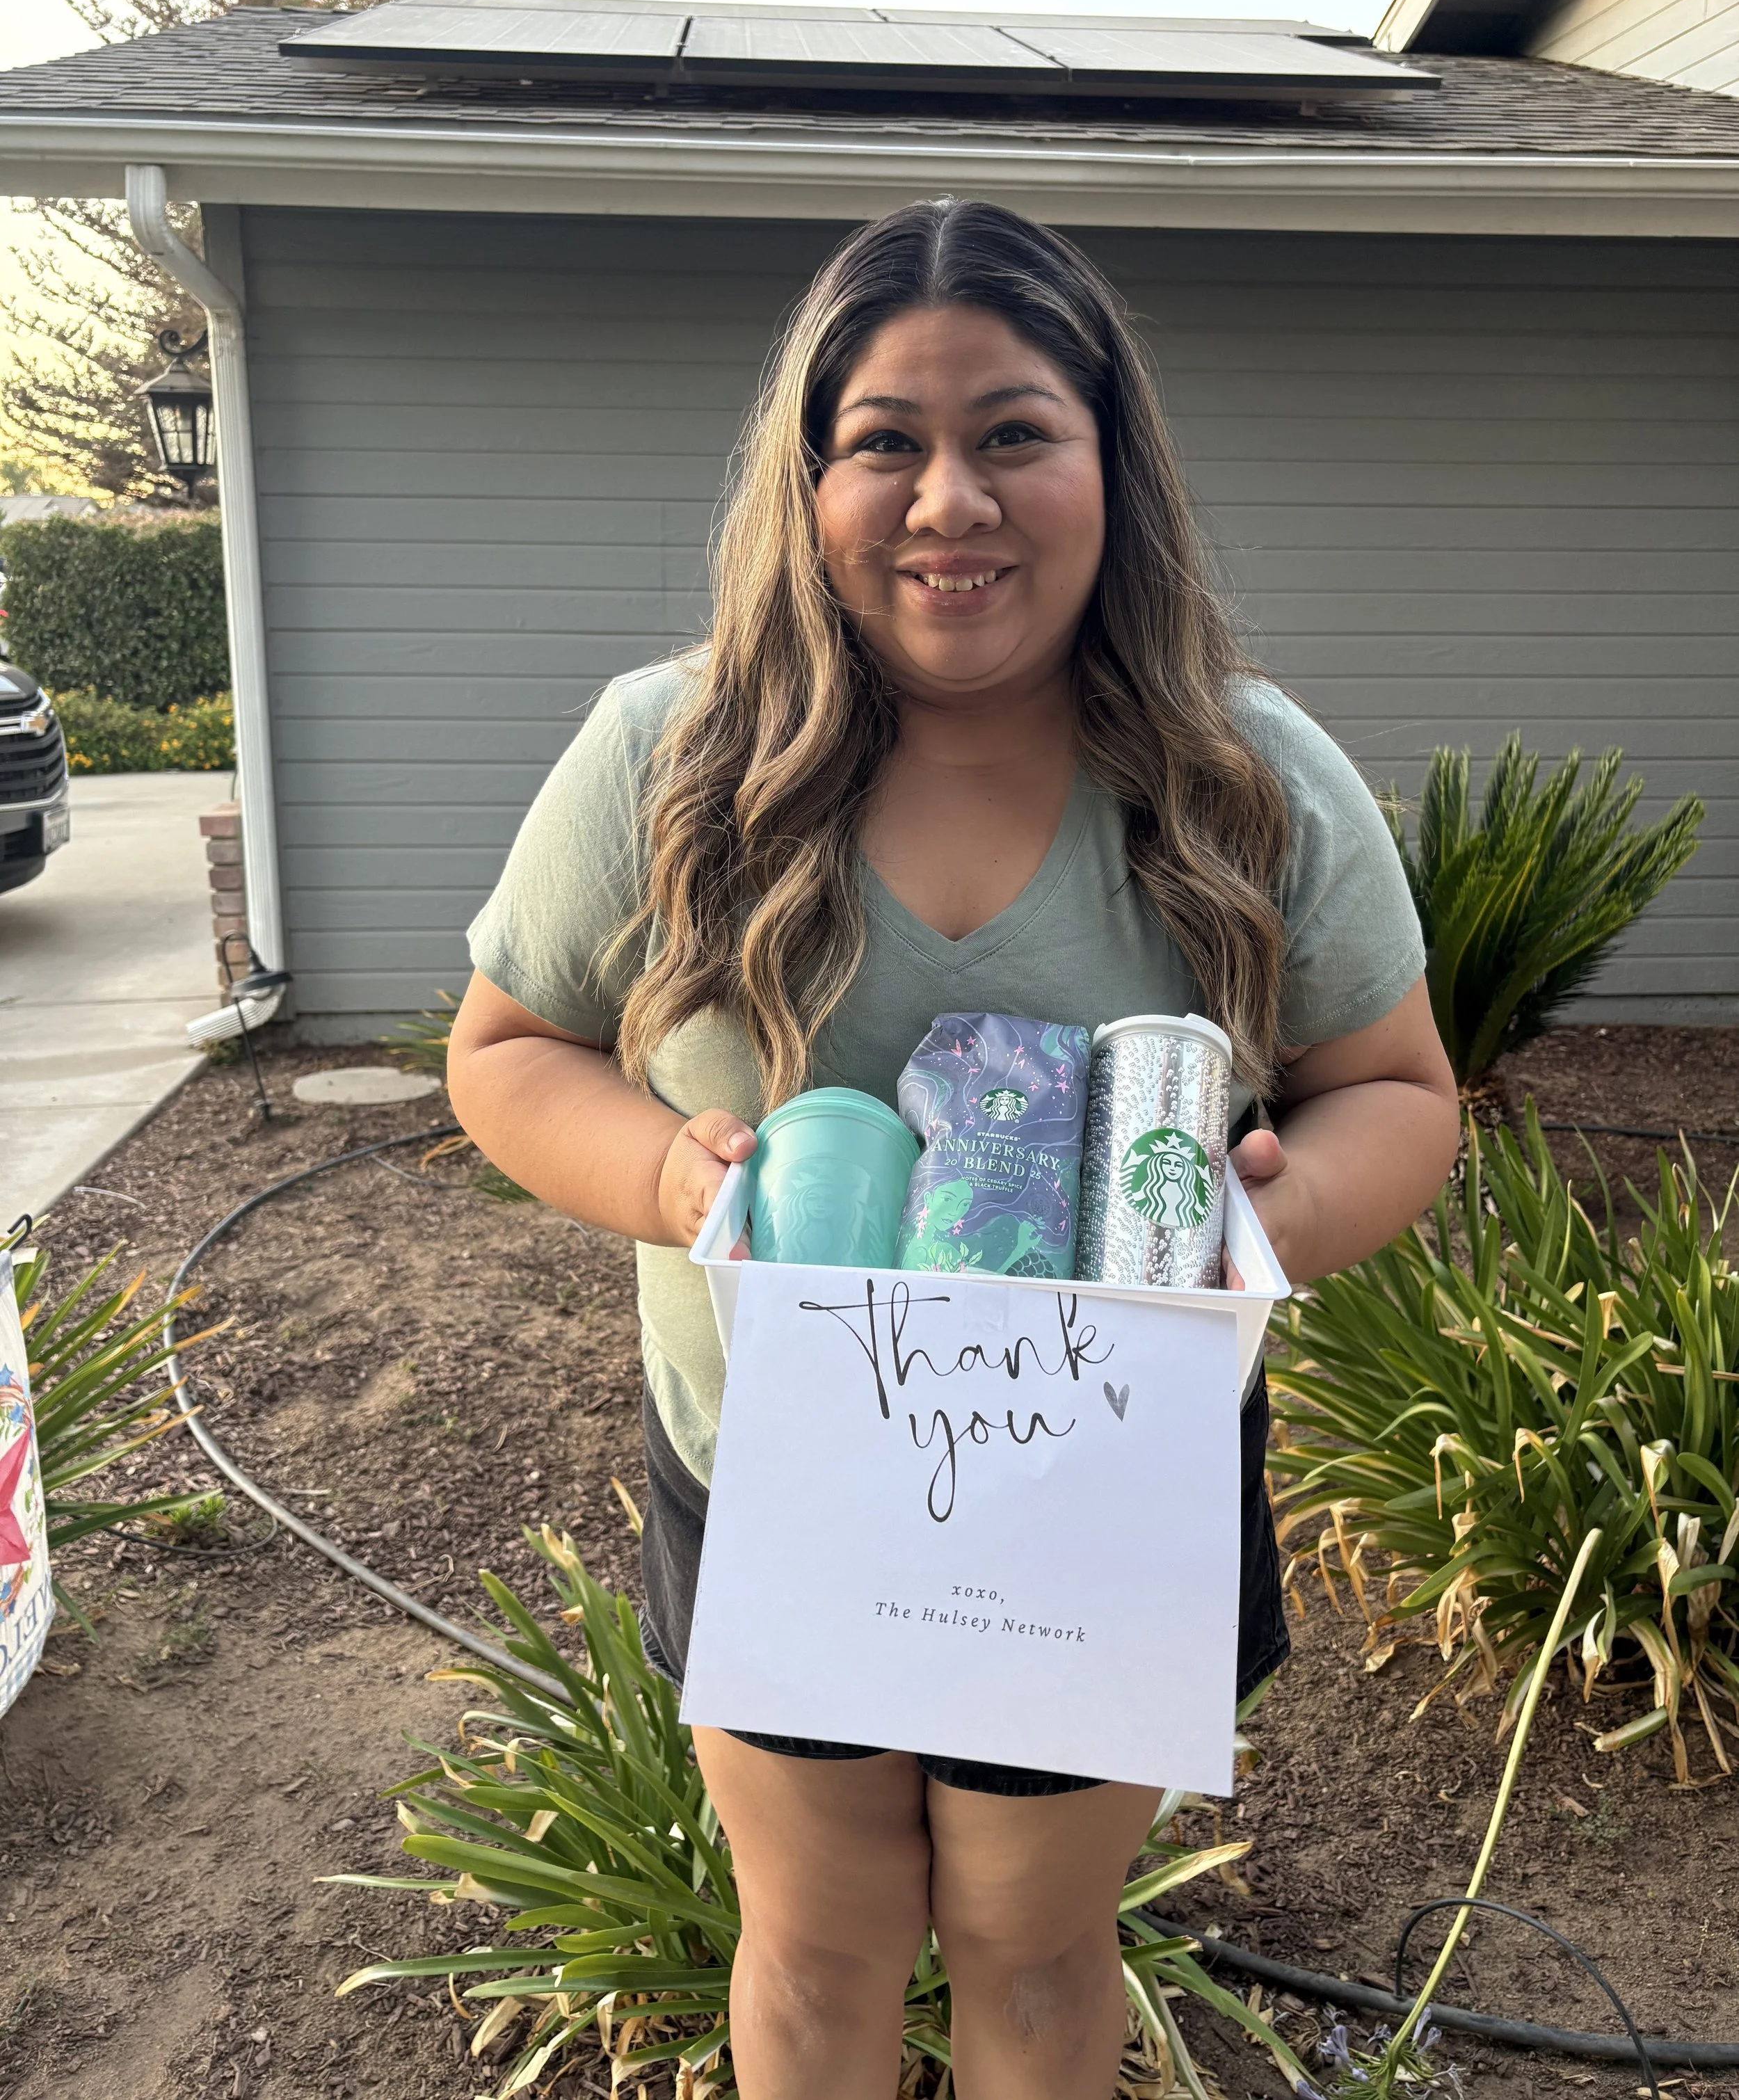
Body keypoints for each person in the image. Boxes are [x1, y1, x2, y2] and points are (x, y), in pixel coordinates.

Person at [448, 198, 1461, 2100]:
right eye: (885, 443)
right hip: (771, 1480)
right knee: (819, 1944)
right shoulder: (673, 754)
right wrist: (675, 1178)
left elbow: (1396, 1086)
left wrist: (1279, 1207)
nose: (949, 499)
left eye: (1011, 432)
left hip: (1100, 1496)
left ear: (1107, 463)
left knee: (1026, 1942)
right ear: (806, 480)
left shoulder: (1241, 780)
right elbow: (507, 1051)